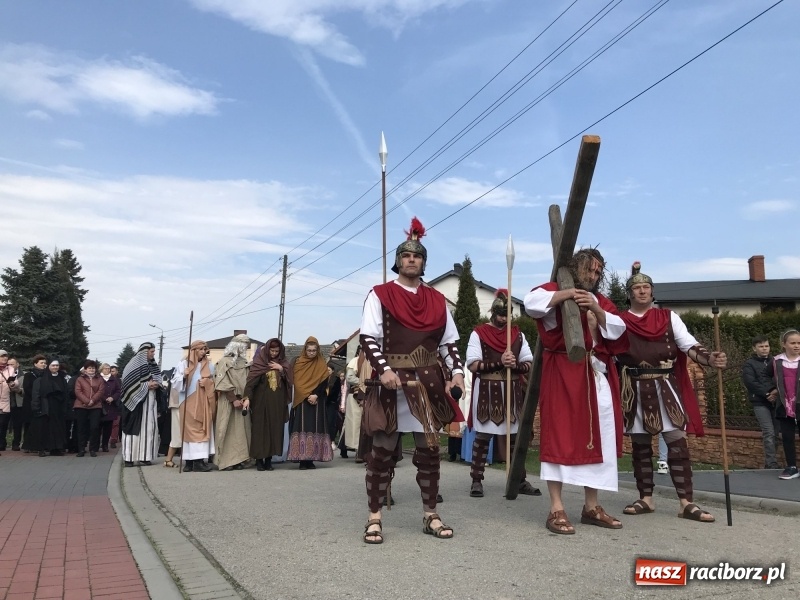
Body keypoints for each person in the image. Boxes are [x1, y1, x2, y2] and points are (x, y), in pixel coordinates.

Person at [359, 217, 465, 544]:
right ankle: (374, 517)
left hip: (428, 383)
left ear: (423, 262)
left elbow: (449, 344)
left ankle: (430, 513)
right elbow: (369, 338)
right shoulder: (380, 295)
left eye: (417, 256)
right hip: (392, 383)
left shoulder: (437, 301)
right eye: (406, 256)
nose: (411, 260)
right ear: (397, 261)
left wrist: (457, 374)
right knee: (382, 451)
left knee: (429, 453)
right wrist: (384, 370)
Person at [524, 247, 627, 535]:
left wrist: (594, 308)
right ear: (574, 266)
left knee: (599, 435)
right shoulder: (552, 289)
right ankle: (556, 507)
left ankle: (591, 506)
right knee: (559, 434)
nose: (593, 275)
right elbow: (531, 303)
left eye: (597, 272)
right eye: (589, 269)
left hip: (593, 373)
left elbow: (619, 330)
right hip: (561, 370)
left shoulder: (600, 300)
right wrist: (566, 295)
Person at [617, 262, 726, 523]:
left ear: (652, 292)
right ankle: (646, 498)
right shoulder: (619, 321)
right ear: (630, 293)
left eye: (647, 288)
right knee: (640, 446)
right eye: (637, 288)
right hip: (633, 387)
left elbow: (688, 344)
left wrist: (710, 359)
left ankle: (686, 503)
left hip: (664, 385)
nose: (642, 291)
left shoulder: (668, 317)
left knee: (677, 442)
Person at [465, 289, 539, 497]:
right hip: (487, 391)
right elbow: (473, 364)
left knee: (516, 439)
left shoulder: (518, 335)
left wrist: (514, 365)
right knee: (482, 437)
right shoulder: (479, 333)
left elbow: (528, 362)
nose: (504, 319)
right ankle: (476, 480)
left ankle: (520, 479)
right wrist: (500, 362)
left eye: (507, 315)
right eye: (500, 315)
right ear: (492, 313)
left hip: (512, 391)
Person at [244, 338, 293, 471]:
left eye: (277, 351)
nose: (274, 353)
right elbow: (250, 383)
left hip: (277, 404)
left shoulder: (283, 364)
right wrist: (247, 398)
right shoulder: (259, 363)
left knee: (274, 430)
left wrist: (281, 369)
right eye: (272, 350)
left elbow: (290, 381)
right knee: (260, 431)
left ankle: (269, 460)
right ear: (267, 350)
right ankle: (259, 460)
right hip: (261, 404)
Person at [287, 336, 333, 469]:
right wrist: (307, 395)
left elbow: (324, 381)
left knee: (315, 427)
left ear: (317, 350)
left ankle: (311, 458)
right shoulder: (299, 362)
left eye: (314, 350)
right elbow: (297, 381)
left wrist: (316, 395)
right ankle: (302, 459)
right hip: (303, 400)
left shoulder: (321, 363)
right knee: (302, 427)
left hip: (316, 401)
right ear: (305, 350)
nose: (312, 353)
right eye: (309, 350)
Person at [171, 340, 216, 472]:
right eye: (201, 349)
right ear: (194, 350)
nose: (203, 352)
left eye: (204, 349)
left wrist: (207, 383)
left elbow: (214, 382)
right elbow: (175, 383)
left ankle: (199, 460)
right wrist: (184, 376)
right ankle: (189, 461)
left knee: (201, 429)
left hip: (202, 401)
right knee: (188, 430)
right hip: (187, 401)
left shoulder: (209, 365)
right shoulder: (183, 364)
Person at [213, 334, 252, 471]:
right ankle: (226, 461)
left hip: (243, 401)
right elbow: (221, 382)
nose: (247, 349)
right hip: (229, 402)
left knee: (241, 433)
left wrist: (246, 397)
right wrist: (233, 399)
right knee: (226, 430)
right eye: (245, 346)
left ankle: (239, 459)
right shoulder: (224, 362)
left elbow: (249, 382)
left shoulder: (245, 363)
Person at [120, 342, 162, 467]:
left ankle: (145, 456)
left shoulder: (152, 365)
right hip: (136, 403)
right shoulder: (133, 364)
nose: (153, 353)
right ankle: (129, 458)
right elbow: (128, 384)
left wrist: (156, 384)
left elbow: (158, 379)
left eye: (154, 351)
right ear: (144, 351)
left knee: (149, 429)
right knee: (133, 431)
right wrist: (146, 385)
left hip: (150, 402)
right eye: (151, 351)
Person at [766, 329, 800, 480]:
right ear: (783, 344)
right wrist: (771, 390)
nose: (796, 346)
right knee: (787, 436)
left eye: (799, 343)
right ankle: (791, 467)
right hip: (784, 404)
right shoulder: (776, 361)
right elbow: (764, 377)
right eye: (792, 343)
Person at [742, 335, 780, 469]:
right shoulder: (749, 364)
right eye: (761, 346)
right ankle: (771, 463)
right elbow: (751, 382)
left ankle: (771, 461)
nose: (764, 349)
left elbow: (780, 378)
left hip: (776, 401)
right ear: (754, 348)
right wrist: (767, 393)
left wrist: (775, 392)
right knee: (768, 432)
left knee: (776, 433)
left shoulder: (776, 361)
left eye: (766, 346)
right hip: (760, 402)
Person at [31, 358, 69, 457]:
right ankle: (41, 449)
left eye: (57, 365)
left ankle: (55, 449)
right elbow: (36, 394)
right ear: (49, 366)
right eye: (53, 365)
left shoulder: (62, 378)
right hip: (45, 408)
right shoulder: (41, 379)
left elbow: (65, 394)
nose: (55, 367)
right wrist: (36, 407)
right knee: (43, 429)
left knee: (57, 429)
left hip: (58, 409)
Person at [74, 360, 105, 457]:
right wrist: (87, 401)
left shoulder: (100, 379)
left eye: (93, 368)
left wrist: (93, 400)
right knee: (81, 428)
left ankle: (93, 449)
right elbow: (78, 391)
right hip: (81, 406)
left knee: (94, 428)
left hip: (95, 406)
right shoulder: (80, 379)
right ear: (85, 369)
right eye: (89, 368)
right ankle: (81, 449)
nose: (91, 370)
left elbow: (101, 391)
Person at [21, 355, 47, 452]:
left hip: (42, 403)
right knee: (29, 424)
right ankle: (27, 445)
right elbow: (27, 388)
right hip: (30, 403)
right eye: (41, 363)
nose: (43, 365)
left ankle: (37, 445)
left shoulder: (46, 375)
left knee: (39, 425)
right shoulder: (29, 375)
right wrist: (37, 395)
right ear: (35, 364)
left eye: (45, 363)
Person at [341, 347, 363, 458]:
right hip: (356, 396)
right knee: (356, 423)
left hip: (372, 394)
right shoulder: (355, 361)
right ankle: (358, 450)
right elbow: (349, 378)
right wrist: (365, 382)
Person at [99, 363, 121, 452]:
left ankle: (105, 445)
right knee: (98, 426)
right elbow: (97, 390)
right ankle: (96, 444)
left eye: (108, 368)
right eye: (105, 368)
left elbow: (118, 390)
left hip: (111, 405)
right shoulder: (98, 378)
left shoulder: (114, 380)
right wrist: (104, 398)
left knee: (108, 427)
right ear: (101, 369)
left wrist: (113, 398)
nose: (107, 370)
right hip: (100, 405)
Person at [0, 350, 18, 452]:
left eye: (6, 357)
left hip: (5, 401)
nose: (5, 358)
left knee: (3, 424)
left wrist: (13, 384)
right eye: (2, 357)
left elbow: (15, 381)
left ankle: (2, 444)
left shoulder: (10, 369)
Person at [6, 357, 24, 451]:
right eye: (8, 364)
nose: (10, 366)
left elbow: (27, 389)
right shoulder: (3, 374)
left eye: (12, 364)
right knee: (3, 424)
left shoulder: (23, 375)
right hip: (6, 403)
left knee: (17, 425)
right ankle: (2, 443)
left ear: (18, 364)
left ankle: (16, 443)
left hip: (18, 403)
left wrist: (19, 390)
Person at [109, 365, 121, 448]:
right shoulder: (105, 380)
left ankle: (113, 440)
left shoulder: (119, 381)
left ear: (117, 372)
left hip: (118, 405)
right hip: (107, 404)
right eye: (111, 371)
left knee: (116, 424)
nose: (112, 373)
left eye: (113, 371)